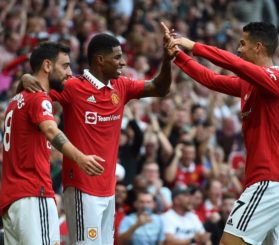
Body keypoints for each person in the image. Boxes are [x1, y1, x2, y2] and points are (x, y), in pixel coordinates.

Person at [22, 32, 173, 244]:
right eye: (117, 57)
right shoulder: (72, 87)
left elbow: (161, 87)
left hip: (108, 189)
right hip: (82, 187)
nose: (123, 62)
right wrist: (26, 78)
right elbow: (37, 90)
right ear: (100, 60)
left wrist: (167, 59)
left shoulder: (122, 86)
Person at [162, 21, 279, 244]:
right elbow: (211, 79)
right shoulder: (250, 85)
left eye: (243, 43)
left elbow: (235, 64)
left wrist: (193, 45)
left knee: (229, 242)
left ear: (258, 47)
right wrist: (177, 54)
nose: (239, 49)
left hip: (270, 181)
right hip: (278, 185)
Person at [0, 42, 104, 245]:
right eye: (65, 66)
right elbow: (50, 129)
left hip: (12, 200)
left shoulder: (15, 101)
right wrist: (80, 158)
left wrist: (24, 78)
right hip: (34, 194)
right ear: (47, 65)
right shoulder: (39, 99)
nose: (70, 73)